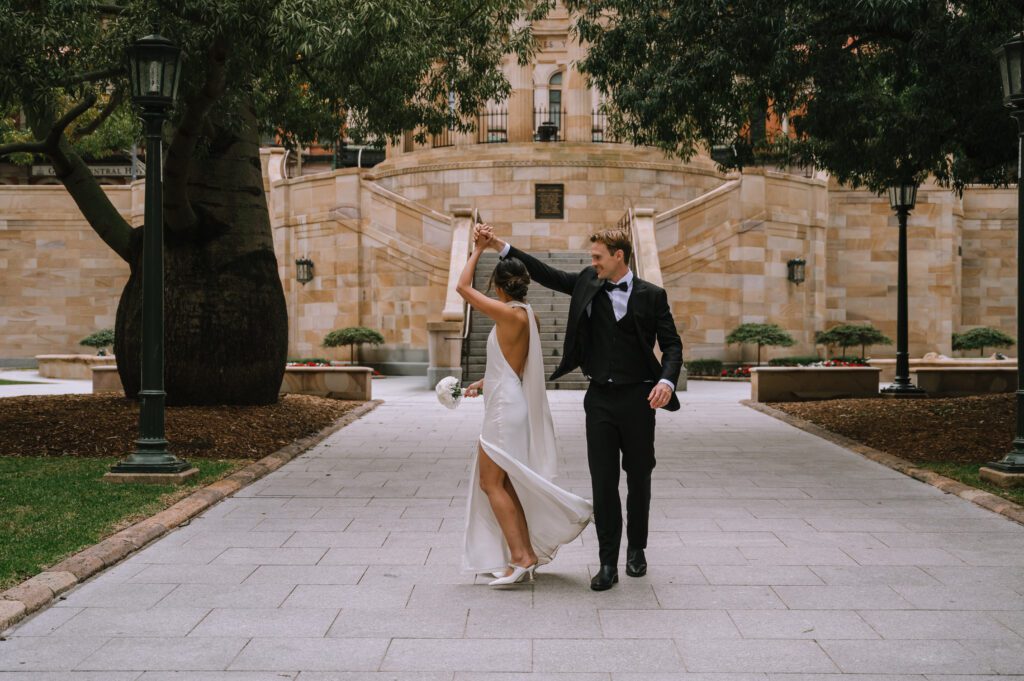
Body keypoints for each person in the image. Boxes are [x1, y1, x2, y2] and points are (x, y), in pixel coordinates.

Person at [476, 224, 682, 591]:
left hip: (639, 400)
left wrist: (666, 381)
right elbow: (547, 273)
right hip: (599, 398)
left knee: (639, 477)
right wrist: (500, 246)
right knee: (603, 483)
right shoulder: (589, 282)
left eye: (598, 257)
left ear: (619, 256)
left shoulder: (653, 295)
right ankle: (607, 563)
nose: (593, 263)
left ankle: (636, 549)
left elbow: (672, 345)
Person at [456, 227, 593, 587]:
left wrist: (478, 249)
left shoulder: (506, 313)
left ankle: (520, 557)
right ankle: (524, 553)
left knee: (490, 483)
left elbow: (461, 288)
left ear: (498, 286)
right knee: (502, 482)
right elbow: (515, 365)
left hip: (504, 409)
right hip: (507, 399)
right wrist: (484, 381)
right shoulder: (526, 315)